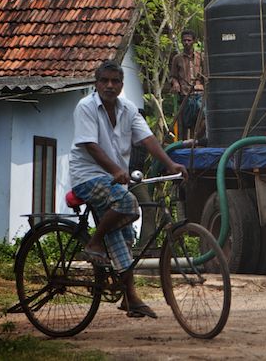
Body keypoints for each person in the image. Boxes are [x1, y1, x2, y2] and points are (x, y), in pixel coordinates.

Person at [70, 60, 188, 319]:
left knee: (123, 237)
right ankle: (94, 242)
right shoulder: (86, 107)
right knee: (126, 203)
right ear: (96, 83)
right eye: (105, 81)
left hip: (115, 181)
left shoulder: (128, 109)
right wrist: (114, 170)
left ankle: (129, 297)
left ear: (122, 84)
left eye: (115, 81)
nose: (110, 86)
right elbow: (90, 145)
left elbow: (148, 139)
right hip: (87, 177)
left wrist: (170, 164)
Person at [169, 30, 204, 140]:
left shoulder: (200, 57)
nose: (186, 43)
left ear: (194, 41)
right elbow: (172, 76)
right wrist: (175, 83)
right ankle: (184, 145)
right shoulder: (177, 59)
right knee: (184, 123)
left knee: (200, 119)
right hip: (185, 94)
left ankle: (196, 142)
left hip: (199, 93)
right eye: (184, 40)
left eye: (189, 40)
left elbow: (206, 75)